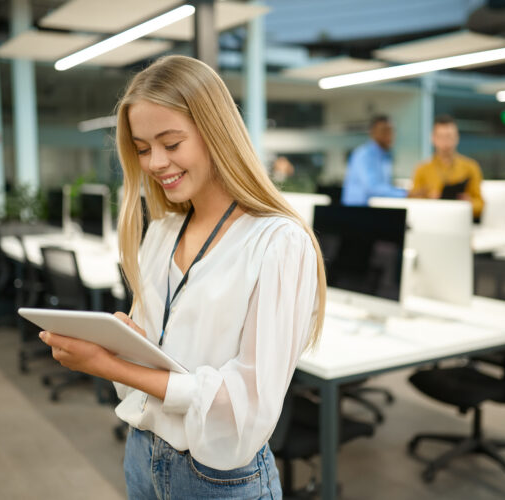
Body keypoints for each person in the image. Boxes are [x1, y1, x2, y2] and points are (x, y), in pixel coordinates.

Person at [38, 55, 326, 499]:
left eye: (171, 144)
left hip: (220, 478)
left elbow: (246, 401)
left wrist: (111, 366)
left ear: (216, 133)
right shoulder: (164, 230)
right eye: (142, 148)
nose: (155, 162)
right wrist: (125, 341)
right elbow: (165, 357)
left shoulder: (277, 242)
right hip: (143, 453)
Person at [410, 114, 484, 219]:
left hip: (460, 219)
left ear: (457, 137)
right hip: (432, 220)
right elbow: (413, 202)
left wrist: (469, 203)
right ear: (433, 138)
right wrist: (429, 200)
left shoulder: (470, 167)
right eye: (441, 137)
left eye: (449, 136)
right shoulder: (422, 169)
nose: (445, 142)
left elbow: (480, 205)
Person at [341, 115, 406, 206]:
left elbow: (384, 186)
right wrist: (405, 194)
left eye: (391, 131)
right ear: (372, 133)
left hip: (375, 208)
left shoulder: (385, 156)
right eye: (384, 131)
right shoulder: (363, 155)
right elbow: (372, 188)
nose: (389, 135)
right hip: (357, 211)